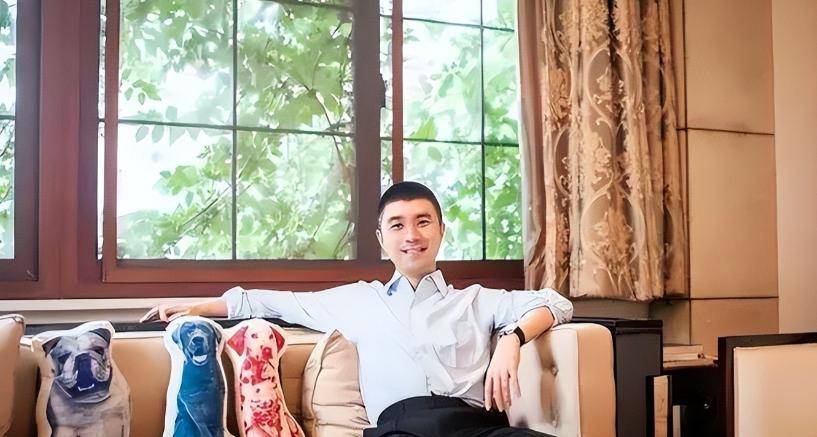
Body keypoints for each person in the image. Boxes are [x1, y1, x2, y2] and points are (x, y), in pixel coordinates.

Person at [142, 181, 573, 437]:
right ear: (382, 238)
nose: (411, 235)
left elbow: (555, 302)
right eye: (398, 225)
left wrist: (512, 339)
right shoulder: (356, 300)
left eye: (423, 222)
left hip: (476, 426)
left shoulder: (477, 300)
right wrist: (197, 305)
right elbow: (270, 300)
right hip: (400, 427)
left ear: (442, 230)